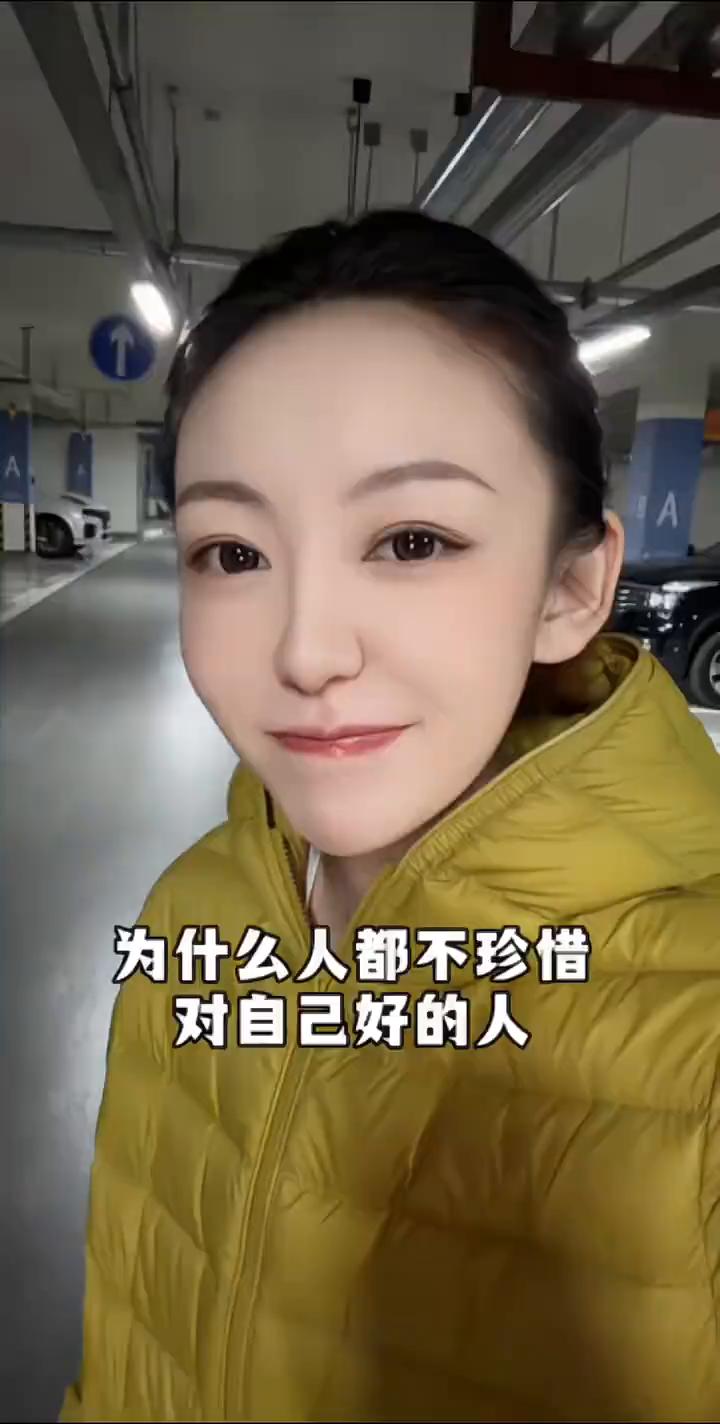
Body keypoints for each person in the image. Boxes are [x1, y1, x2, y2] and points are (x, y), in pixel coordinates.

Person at [60, 210, 720, 1424]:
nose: (307, 650)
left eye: (413, 539)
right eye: (232, 552)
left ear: (573, 585)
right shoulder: (196, 911)